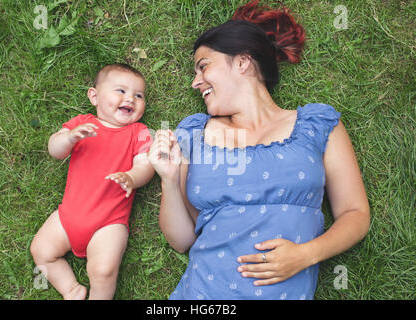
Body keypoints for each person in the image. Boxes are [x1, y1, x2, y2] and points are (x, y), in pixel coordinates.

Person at [149, 1, 370, 300]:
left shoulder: (316, 125)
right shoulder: (193, 133)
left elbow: (355, 214)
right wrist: (169, 180)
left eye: (203, 67)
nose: (195, 82)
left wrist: (306, 255)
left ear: (242, 62)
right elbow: (182, 240)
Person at [30, 63, 154, 300]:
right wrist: (67, 138)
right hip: (67, 217)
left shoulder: (140, 132)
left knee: (103, 270)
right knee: (40, 251)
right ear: (94, 96)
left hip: (109, 223)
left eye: (139, 95)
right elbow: (54, 150)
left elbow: (145, 166)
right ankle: (71, 290)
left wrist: (132, 177)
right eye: (121, 91)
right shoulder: (82, 124)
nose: (131, 99)